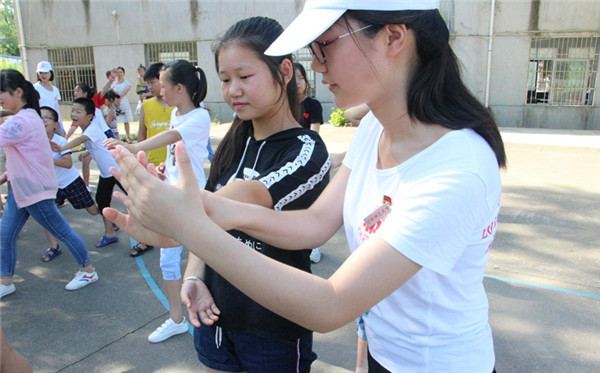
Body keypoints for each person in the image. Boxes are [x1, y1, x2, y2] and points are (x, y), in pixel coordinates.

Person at [106, 1, 506, 372]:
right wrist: (199, 209)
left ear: (393, 37)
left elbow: (332, 304)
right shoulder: (375, 128)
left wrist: (189, 226)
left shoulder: (456, 170)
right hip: (385, 352)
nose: (315, 67)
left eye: (325, 47)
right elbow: (315, 222)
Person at [105, 60, 210, 343]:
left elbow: (172, 137)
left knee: (207, 257)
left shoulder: (199, 117)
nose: (157, 90)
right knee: (169, 259)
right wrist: (165, 168)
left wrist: (135, 146)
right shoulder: (176, 113)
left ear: (179, 88)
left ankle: (212, 313)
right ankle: (177, 318)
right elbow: (173, 148)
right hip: (173, 196)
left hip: (196, 199)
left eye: (162, 85)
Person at [0, 69, 98, 298]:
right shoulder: (26, 117)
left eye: (2, 91)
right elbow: (23, 155)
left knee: (61, 231)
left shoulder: (21, 122)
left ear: (17, 92)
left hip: (34, 190)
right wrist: (7, 175)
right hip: (22, 188)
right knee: (5, 235)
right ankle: (5, 281)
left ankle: (88, 270)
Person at [50, 97, 123, 248]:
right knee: (102, 200)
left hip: (118, 170)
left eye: (78, 111)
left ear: (89, 116)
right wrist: (88, 153)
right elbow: (98, 146)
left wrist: (62, 148)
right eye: (72, 111)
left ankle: (151, 232)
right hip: (107, 173)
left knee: (135, 199)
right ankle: (110, 233)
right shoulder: (87, 130)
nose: (73, 114)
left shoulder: (92, 128)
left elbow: (81, 139)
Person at [39, 106, 100, 262]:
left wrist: (48, 158)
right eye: (39, 118)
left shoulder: (60, 141)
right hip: (51, 186)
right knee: (46, 215)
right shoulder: (34, 142)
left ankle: (111, 223)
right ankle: (53, 247)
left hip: (70, 181)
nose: (42, 121)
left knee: (93, 210)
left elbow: (67, 164)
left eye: (46, 118)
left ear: (55, 123)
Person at [34, 61, 65, 136]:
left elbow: (56, 108)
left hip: (53, 121)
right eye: (41, 72)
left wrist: (60, 125)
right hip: (42, 121)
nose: (43, 75)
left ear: (51, 73)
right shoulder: (35, 88)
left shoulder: (55, 90)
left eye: (46, 72)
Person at [294, 62, 323, 133]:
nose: (298, 82)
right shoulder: (283, 105)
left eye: (301, 78)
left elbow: (314, 133)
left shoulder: (313, 105)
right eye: (293, 79)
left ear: (306, 81)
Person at [111, 66, 133, 142]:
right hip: (115, 102)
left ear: (124, 73)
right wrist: (116, 99)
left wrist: (119, 97)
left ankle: (128, 136)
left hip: (123, 102)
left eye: (121, 72)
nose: (119, 74)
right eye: (118, 72)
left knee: (126, 120)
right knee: (114, 120)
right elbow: (112, 91)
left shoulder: (127, 83)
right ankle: (117, 137)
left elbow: (125, 91)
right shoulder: (113, 83)